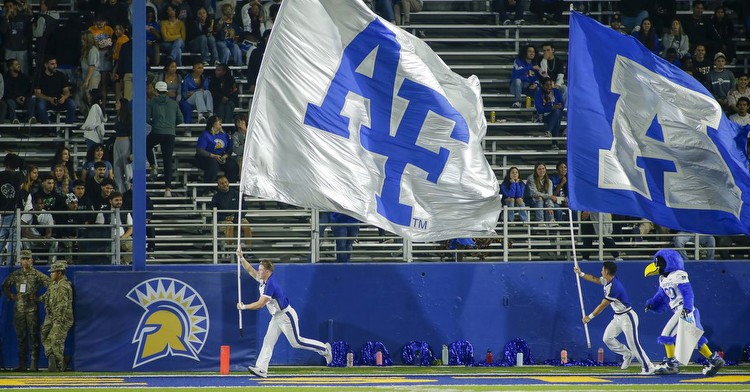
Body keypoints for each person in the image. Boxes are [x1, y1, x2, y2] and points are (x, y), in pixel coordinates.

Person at [236, 252, 332, 378]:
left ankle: (324, 349)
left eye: (260, 270)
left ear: (267, 271)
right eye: (258, 270)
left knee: (296, 342)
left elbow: (260, 304)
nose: (258, 272)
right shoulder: (263, 280)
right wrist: (242, 258)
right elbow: (250, 270)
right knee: (268, 341)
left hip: (286, 316)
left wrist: (244, 307)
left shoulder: (271, 285)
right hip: (276, 316)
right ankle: (261, 368)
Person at [644, 249, 725, 377]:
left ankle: (671, 364)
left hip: (684, 309)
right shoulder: (663, 278)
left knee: (667, 334)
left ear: (668, 262)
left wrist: (687, 307)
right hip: (680, 310)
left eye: (659, 262)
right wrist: (652, 303)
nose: (657, 265)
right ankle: (714, 359)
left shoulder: (678, 274)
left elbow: (688, 292)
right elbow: (661, 295)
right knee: (694, 339)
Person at [575, 261, 653, 375]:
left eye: (602, 269)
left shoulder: (614, 287)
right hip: (618, 317)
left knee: (633, 344)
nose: (601, 271)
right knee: (607, 338)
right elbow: (595, 279)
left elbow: (602, 305)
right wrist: (581, 273)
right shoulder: (608, 280)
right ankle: (627, 354)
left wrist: (589, 317)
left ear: (606, 271)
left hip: (627, 317)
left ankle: (648, 367)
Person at [2, 249, 50, 371]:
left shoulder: (37, 274)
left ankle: (34, 365)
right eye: (22, 259)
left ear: (31, 261)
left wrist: (39, 298)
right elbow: (5, 285)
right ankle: (22, 364)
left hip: (31, 310)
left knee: (34, 337)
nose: (24, 261)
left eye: (27, 259)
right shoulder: (16, 275)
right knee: (21, 338)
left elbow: (50, 285)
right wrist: (11, 296)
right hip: (19, 310)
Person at [147, 80, 184, 197]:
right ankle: (168, 189)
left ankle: (153, 166)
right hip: (170, 134)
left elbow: (147, 119)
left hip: (157, 132)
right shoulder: (173, 103)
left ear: (156, 91)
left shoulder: (152, 102)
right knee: (167, 160)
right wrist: (171, 125)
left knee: (146, 145)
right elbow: (180, 119)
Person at [41, 261, 73, 372]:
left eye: (53, 272)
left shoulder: (63, 286)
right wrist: (36, 298)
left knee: (55, 340)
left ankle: (58, 364)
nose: (50, 274)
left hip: (61, 318)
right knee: (45, 335)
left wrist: (58, 320)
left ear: (59, 273)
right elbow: (47, 296)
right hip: (51, 316)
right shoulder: (54, 284)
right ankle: (57, 358)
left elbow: (63, 305)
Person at [33, 56, 77, 126]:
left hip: (59, 100)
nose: (55, 66)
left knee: (72, 104)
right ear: (46, 65)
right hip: (46, 100)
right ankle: (46, 129)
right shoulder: (39, 76)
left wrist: (64, 97)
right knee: (40, 104)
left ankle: (68, 129)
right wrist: (49, 99)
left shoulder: (60, 75)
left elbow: (66, 91)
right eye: (52, 64)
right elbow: (37, 93)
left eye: (55, 64)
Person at [195, 115, 239, 183]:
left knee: (232, 164)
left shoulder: (225, 135)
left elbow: (229, 149)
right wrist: (213, 155)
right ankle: (207, 188)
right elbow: (199, 150)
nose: (220, 122)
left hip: (221, 157)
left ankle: (231, 188)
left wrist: (226, 156)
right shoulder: (205, 134)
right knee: (213, 164)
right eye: (218, 121)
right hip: (207, 157)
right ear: (212, 123)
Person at [210, 175, 251, 248]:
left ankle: (248, 249)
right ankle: (229, 249)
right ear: (218, 186)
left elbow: (244, 208)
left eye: (226, 182)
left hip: (238, 218)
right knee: (230, 225)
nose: (225, 184)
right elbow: (214, 213)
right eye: (222, 183)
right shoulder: (216, 198)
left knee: (246, 225)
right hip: (223, 220)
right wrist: (225, 218)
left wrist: (237, 217)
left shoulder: (237, 194)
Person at [95, 191, 132, 264]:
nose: (119, 202)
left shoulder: (125, 212)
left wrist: (124, 237)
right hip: (108, 238)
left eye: (120, 200)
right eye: (116, 200)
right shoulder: (103, 212)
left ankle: (123, 263)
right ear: (110, 201)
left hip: (123, 237)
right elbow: (99, 228)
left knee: (136, 246)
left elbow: (131, 227)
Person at [0, 153, 24, 265]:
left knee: (1, 240)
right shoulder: (18, 176)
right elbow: (25, 167)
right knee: (13, 242)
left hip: (2, 214)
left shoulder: (0, 175)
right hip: (13, 213)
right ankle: (10, 264)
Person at [0, 0, 32, 74]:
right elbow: (3, 30)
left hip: (21, 49)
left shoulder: (23, 17)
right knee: (8, 70)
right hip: (9, 48)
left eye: (10, 6)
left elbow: (29, 32)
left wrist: (24, 40)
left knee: (23, 70)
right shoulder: (4, 19)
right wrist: (6, 17)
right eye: (7, 7)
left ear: (15, 6)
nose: (9, 8)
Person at [534, 77, 564, 150]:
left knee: (557, 113)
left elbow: (562, 104)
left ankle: (549, 131)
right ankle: (554, 143)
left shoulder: (556, 91)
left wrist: (558, 106)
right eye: (547, 85)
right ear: (542, 85)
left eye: (551, 85)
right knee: (557, 115)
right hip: (544, 116)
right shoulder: (539, 93)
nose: (549, 87)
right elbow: (539, 109)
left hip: (555, 114)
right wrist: (552, 107)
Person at [3, 58, 36, 124]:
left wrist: (24, 97)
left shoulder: (24, 77)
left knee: (31, 100)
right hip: (13, 100)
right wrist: (16, 98)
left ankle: (31, 118)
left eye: (19, 64)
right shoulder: (5, 78)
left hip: (24, 100)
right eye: (16, 64)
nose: (19, 66)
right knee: (10, 101)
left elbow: (30, 90)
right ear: (10, 67)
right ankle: (14, 120)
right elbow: (5, 93)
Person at [112, 98, 132, 192]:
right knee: (117, 170)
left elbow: (133, 134)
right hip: (117, 142)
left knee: (127, 169)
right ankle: (121, 193)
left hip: (126, 142)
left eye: (118, 102)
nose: (116, 104)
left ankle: (130, 192)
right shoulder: (117, 117)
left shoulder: (129, 117)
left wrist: (132, 152)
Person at [80, 31, 101, 102]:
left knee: (91, 96)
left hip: (92, 77)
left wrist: (86, 81)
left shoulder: (93, 50)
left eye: (83, 39)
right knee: (86, 97)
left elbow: (92, 67)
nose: (81, 41)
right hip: (86, 76)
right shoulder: (86, 50)